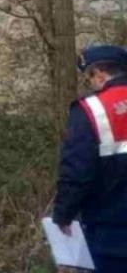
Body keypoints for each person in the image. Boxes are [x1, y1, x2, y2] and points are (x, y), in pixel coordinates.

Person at [53, 44, 127, 272]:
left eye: (90, 77)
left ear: (100, 74)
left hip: (111, 226)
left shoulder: (91, 109)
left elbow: (77, 170)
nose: (91, 84)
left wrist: (63, 214)